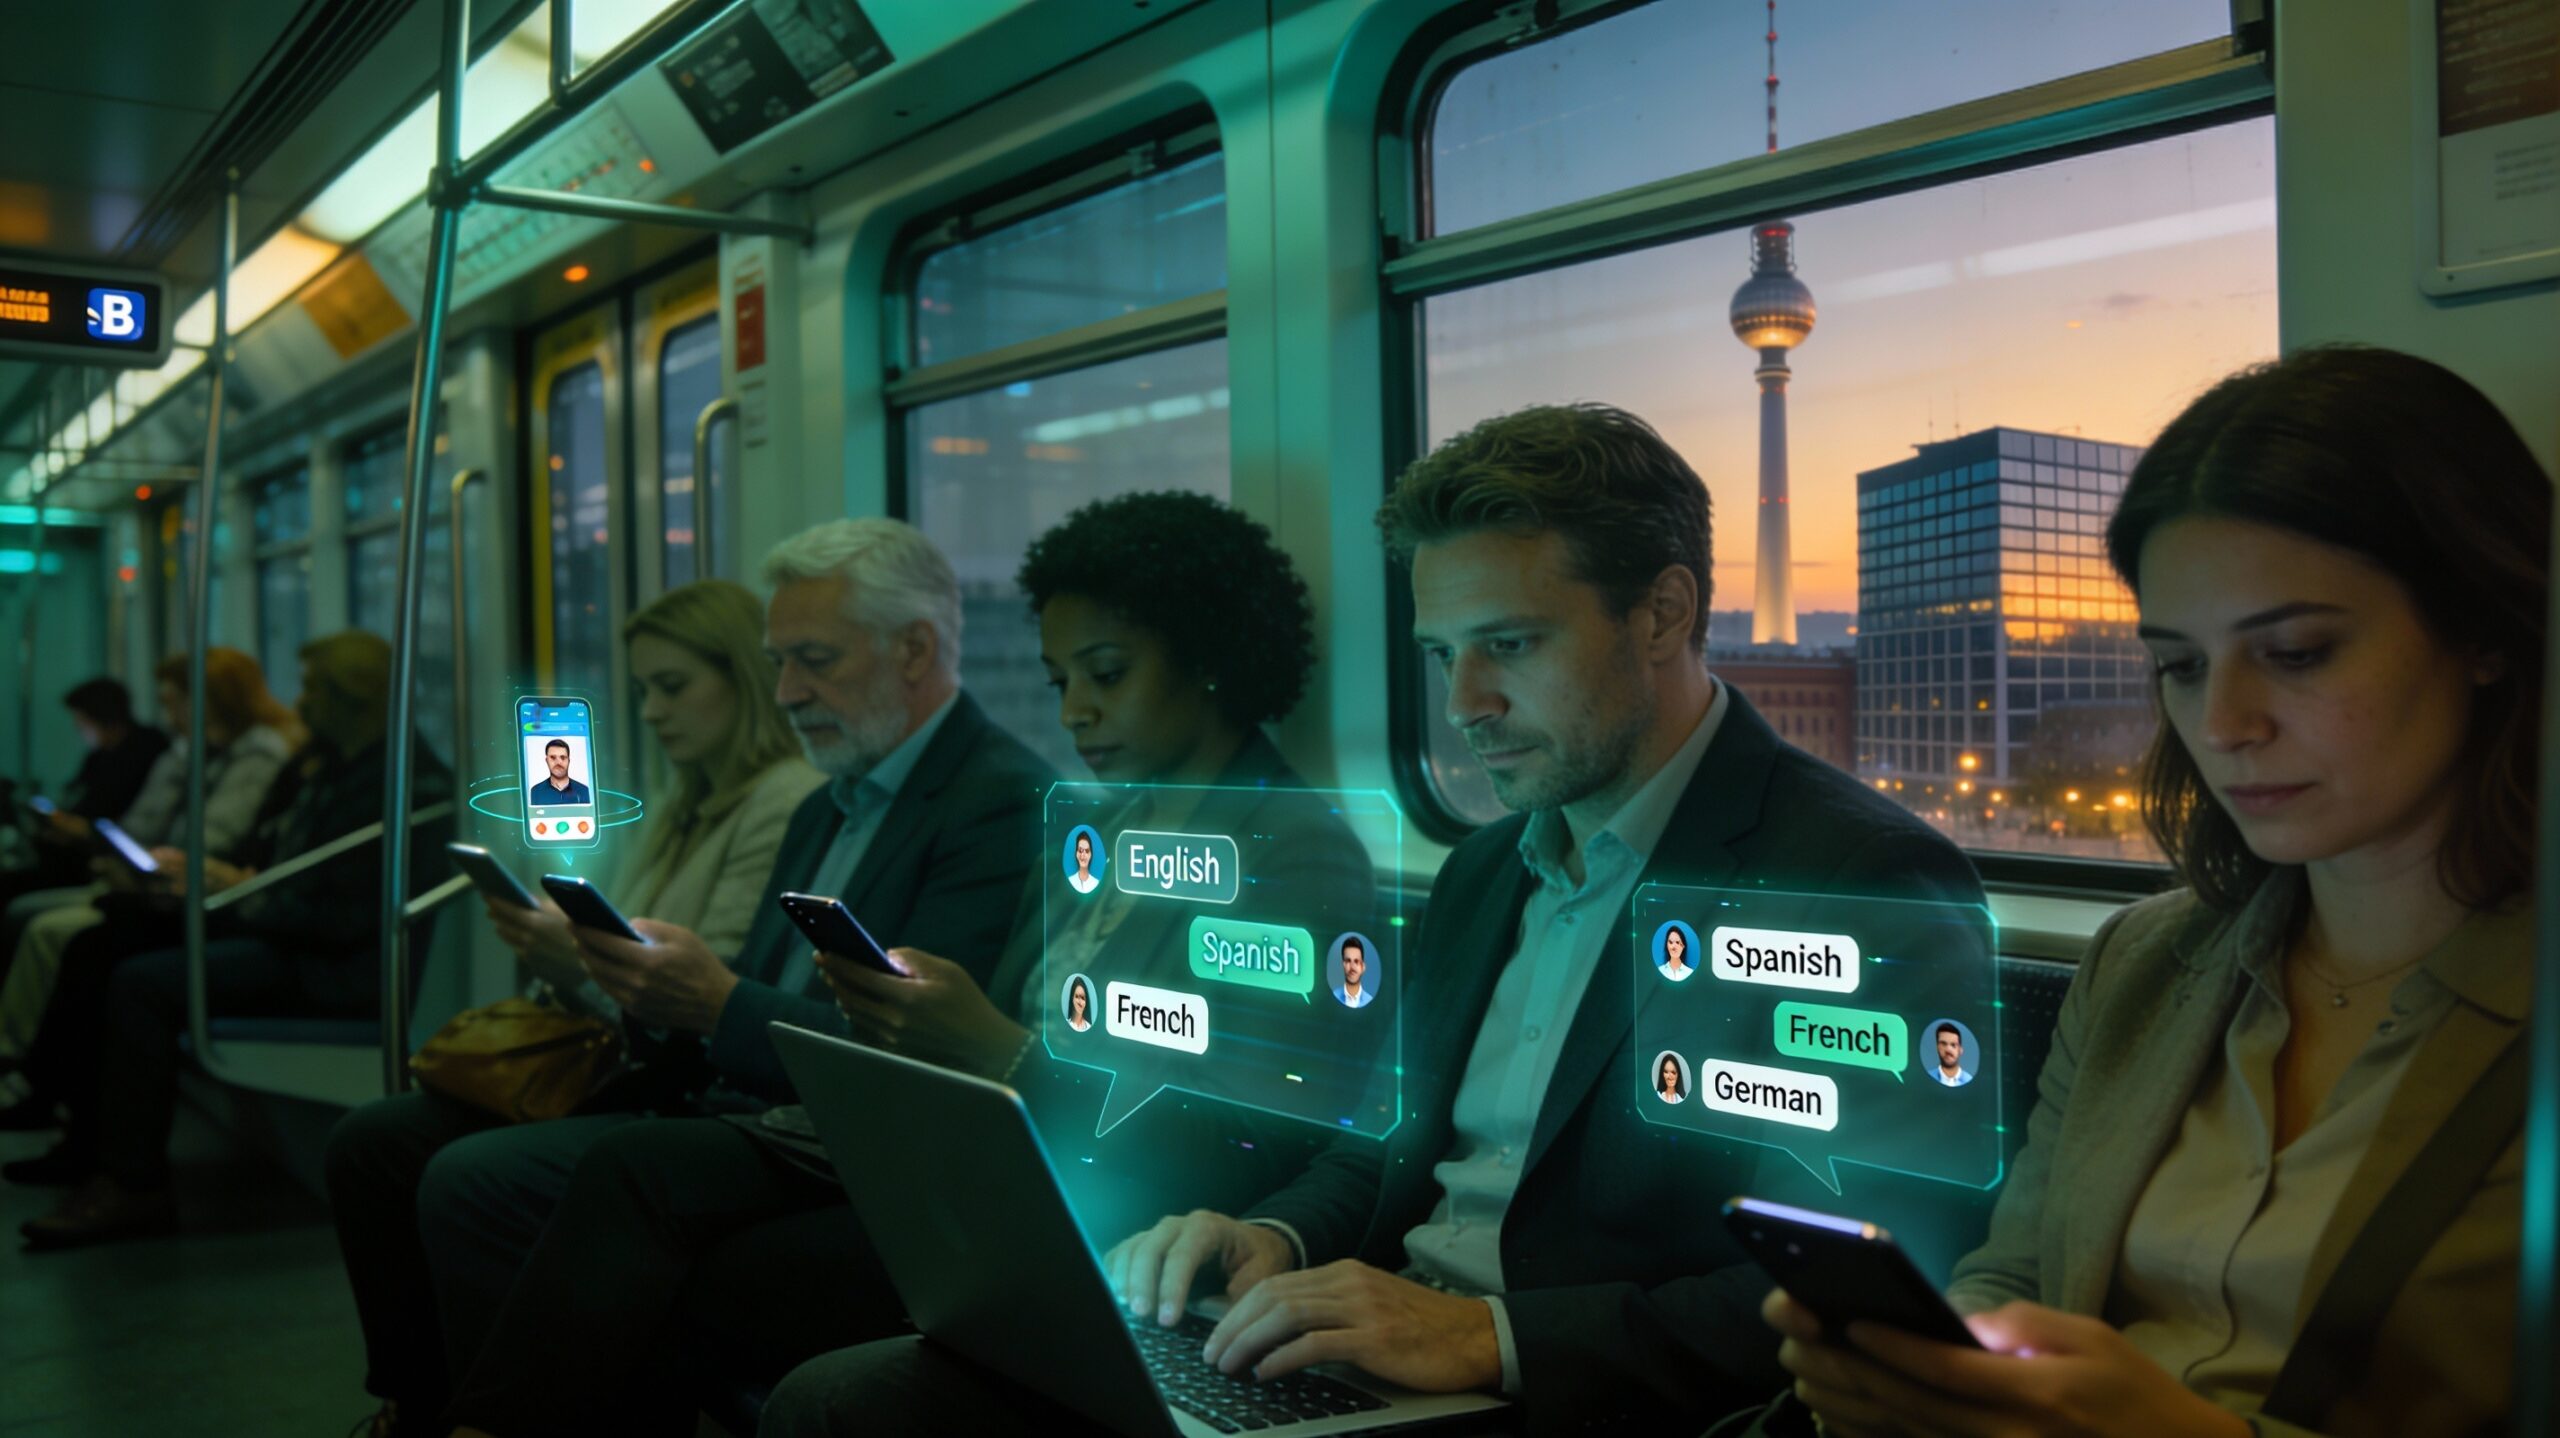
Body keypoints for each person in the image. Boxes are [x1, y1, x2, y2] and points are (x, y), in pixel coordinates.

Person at [760, 404, 1985, 1436]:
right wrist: (1273, 1237)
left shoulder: (1851, 876)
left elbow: (1865, 1290)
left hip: (1563, 1394)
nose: (1465, 703)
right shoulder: (1487, 867)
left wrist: (1488, 1334)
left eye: (1510, 644)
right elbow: (1385, 1144)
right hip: (1374, 1346)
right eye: (1443, 653)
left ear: (1662, 613)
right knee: (845, 1399)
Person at [439, 491, 1356, 1438]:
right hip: (997, 1167)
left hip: (1104, 1209)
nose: (1075, 711)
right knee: (656, 1232)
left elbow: (1242, 1138)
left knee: (691, 1255)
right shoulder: (1097, 826)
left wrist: (993, 1050)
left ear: (1210, 661)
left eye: (1107, 674)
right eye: (1059, 682)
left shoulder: (1291, 855)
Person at [1767, 347, 2545, 1438]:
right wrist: (1938, 1372)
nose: (2223, 724)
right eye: (2180, 666)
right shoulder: (2143, 962)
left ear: (2483, 633)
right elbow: (2019, 1272)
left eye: (2297, 652)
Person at [366, 519, 1048, 1438]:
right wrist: (656, 991)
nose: (789, 692)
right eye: (779, 663)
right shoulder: (826, 805)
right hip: (754, 1104)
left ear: (915, 650)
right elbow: (758, 985)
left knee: (586, 1178)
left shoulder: (995, 801)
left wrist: (717, 1003)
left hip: (853, 1139)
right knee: (423, 1152)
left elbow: (912, 1050)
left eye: (814, 660)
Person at [326, 580, 826, 1438]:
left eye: (673, 686)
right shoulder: (684, 800)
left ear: (742, 681)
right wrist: (563, 956)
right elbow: (623, 951)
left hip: (677, 1076)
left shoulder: (783, 801)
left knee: (458, 1170)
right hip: (624, 1051)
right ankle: (419, 1399)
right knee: (371, 1142)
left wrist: (577, 963)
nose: (653, 711)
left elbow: (699, 988)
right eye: (643, 690)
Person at [13, 632, 454, 1246]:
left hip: (334, 966)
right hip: (292, 935)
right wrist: (227, 882)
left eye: (312, 688)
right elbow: (267, 852)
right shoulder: (327, 766)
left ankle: (134, 1183)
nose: (298, 702)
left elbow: (344, 917)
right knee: (108, 938)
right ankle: (84, 1140)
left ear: (352, 699)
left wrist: (244, 891)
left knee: (141, 983)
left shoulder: (401, 785)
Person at [0, 651, 298, 1082]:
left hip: (188, 888)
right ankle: (31, 1061)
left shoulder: (257, 757)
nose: (169, 716)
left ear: (209, 700)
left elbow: (210, 838)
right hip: (153, 876)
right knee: (45, 922)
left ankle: (30, 1063)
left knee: (60, 932)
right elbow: (145, 822)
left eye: (174, 703)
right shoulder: (186, 752)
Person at [0, 678, 169, 909]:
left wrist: (82, 830)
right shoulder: (98, 756)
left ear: (102, 717)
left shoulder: (146, 749)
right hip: (75, 854)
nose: (77, 727)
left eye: (81, 720)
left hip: (104, 862)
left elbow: (117, 818)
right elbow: (78, 795)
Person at [528, 739, 591, 806]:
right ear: (547, 760)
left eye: (563, 757)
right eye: (553, 757)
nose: (558, 762)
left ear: (568, 761)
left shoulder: (584, 791)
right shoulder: (536, 791)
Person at [1333, 936, 1375, 1008]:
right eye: (1348, 961)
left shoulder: (1370, 1001)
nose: (1352, 967)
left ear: (1363, 967)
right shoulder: (1334, 997)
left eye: (1356, 961)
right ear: (1343, 965)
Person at [1928, 1022, 1972, 1088]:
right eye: (1943, 1044)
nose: (1948, 1050)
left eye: (1953, 1045)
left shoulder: (1970, 1081)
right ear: (1937, 1047)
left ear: (1960, 1050)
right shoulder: (1927, 1079)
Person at [1066, 828, 1101, 894]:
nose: (1083, 854)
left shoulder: (1095, 883)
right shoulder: (1070, 881)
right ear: (1076, 853)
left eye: (1087, 851)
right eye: (1080, 850)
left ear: (1091, 854)